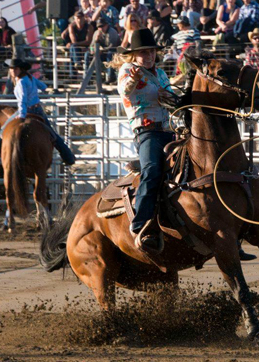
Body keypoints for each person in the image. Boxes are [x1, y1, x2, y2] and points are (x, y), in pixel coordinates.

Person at [114, 29, 179, 252]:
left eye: (151, 52)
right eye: (143, 52)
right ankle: (140, 223)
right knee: (151, 171)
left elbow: (172, 97)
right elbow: (124, 90)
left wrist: (169, 98)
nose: (149, 56)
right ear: (134, 55)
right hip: (147, 132)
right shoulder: (127, 70)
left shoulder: (160, 74)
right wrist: (132, 81)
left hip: (169, 130)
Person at [0, 59, 76, 168]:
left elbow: (22, 100)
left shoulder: (21, 82)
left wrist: (22, 115)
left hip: (26, 110)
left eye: (15, 69)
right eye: (11, 69)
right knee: (52, 134)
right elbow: (43, 86)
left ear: (20, 69)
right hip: (38, 110)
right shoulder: (29, 78)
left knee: (2, 132)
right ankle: (68, 157)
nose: (13, 71)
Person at [87, 17, 121, 83]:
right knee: (88, 55)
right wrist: (94, 46)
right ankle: (89, 76)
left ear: (106, 25)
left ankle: (110, 76)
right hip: (100, 53)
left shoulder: (112, 32)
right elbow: (91, 46)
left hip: (112, 52)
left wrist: (101, 51)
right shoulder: (96, 33)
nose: (101, 28)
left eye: (102, 26)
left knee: (110, 54)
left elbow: (112, 46)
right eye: (99, 26)